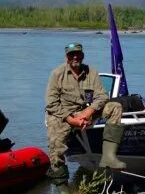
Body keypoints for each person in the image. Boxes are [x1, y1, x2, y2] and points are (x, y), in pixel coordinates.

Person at [44, 42, 125, 181]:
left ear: (82, 55)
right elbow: (51, 103)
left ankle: (109, 157)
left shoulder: (91, 72)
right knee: (55, 145)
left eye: (78, 54)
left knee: (115, 107)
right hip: (64, 114)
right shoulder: (57, 74)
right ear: (66, 57)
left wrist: (89, 111)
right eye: (71, 55)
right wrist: (71, 119)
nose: (75, 57)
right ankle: (62, 186)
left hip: (87, 111)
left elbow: (103, 95)